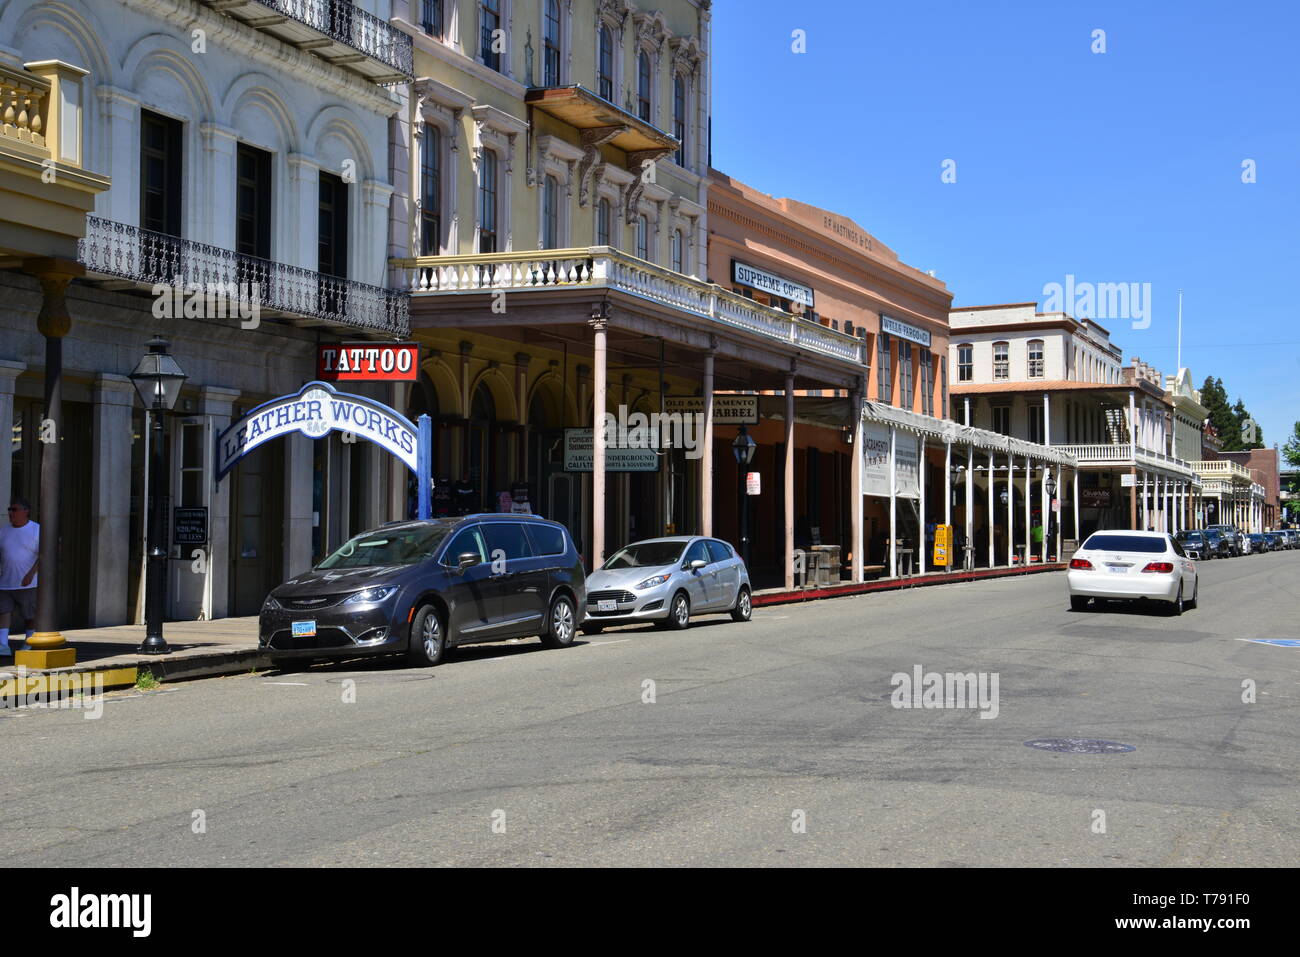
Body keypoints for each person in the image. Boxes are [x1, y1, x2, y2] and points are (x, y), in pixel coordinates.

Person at [0, 496, 39, 658]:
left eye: (14, 509)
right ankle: (3, 645)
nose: (11, 513)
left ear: (25, 511)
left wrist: (31, 574)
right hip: (5, 582)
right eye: (9, 510)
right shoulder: (4, 530)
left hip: (27, 583)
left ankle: (29, 641)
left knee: (29, 615)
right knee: (3, 612)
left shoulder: (36, 529)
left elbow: (43, 555)